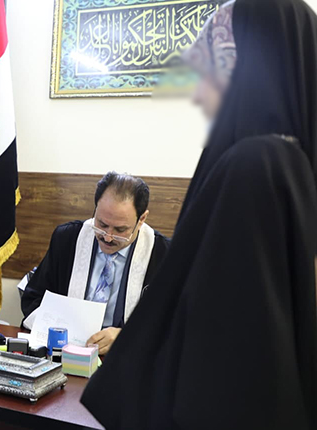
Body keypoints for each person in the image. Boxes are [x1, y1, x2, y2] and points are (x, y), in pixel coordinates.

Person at [81, 1, 317, 429]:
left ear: (249, 67)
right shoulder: (288, 162)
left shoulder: (255, 167)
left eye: (211, 67)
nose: (198, 92)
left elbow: (222, 346)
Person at [21, 172, 170, 355]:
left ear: (141, 220)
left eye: (120, 230)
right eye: (102, 224)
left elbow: (172, 323)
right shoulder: (67, 239)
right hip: (64, 352)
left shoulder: (163, 255)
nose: (107, 237)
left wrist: (125, 336)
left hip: (126, 358)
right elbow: (33, 299)